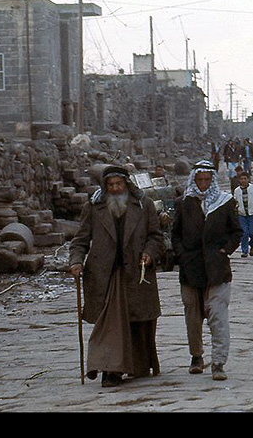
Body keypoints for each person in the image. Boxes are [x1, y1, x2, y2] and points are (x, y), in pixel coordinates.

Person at [69, 165, 165, 387]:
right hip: (105, 276)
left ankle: (136, 365)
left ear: (126, 184)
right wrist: (76, 262)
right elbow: (80, 240)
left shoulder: (144, 205)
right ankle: (109, 370)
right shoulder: (93, 207)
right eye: (110, 185)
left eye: (118, 184)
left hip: (136, 273)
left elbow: (156, 237)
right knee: (110, 325)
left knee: (137, 323)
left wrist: (149, 254)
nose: (115, 189)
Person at [171, 160, 242, 381]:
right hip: (190, 269)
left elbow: (236, 231)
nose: (202, 184)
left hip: (217, 269)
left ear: (212, 180)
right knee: (192, 317)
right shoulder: (184, 203)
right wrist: (182, 254)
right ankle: (196, 356)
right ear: (194, 179)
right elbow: (175, 234)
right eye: (199, 180)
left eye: (207, 180)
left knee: (218, 316)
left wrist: (225, 249)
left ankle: (219, 362)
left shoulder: (225, 202)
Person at [233, 172, 253, 257]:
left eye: (245, 179)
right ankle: (244, 251)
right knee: (244, 233)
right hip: (242, 215)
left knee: (251, 233)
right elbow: (234, 201)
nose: (243, 180)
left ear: (248, 179)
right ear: (239, 180)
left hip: (252, 214)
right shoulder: (237, 191)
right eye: (241, 179)